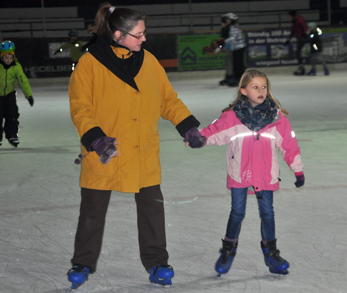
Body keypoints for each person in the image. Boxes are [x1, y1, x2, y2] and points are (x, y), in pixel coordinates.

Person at [67, 3, 202, 290]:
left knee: (153, 210)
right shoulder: (90, 63)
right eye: (138, 35)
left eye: (144, 34)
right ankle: (82, 262)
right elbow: (80, 108)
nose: (144, 39)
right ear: (118, 35)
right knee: (92, 212)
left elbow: (168, 100)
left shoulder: (149, 61)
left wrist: (187, 126)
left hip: (142, 151)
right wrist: (96, 138)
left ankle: (157, 263)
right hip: (106, 152)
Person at [187, 69, 305, 276]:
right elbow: (214, 131)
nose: (260, 90)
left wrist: (298, 170)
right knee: (237, 213)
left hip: (266, 174)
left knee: (268, 213)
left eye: (264, 87)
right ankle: (228, 251)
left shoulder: (276, 119)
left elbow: (289, 145)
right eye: (255, 87)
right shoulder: (232, 117)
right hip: (239, 174)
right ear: (243, 90)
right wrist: (199, 139)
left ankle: (271, 254)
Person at [0, 40, 34, 147]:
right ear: (1, 56)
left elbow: (22, 80)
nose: (8, 60)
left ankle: (12, 135)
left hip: (9, 95)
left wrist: (28, 95)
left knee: (12, 115)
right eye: (6, 58)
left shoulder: (16, 66)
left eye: (11, 57)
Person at [219, 12, 246, 87]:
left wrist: (224, 42)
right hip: (234, 47)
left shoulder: (234, 28)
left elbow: (232, 39)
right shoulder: (229, 27)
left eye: (228, 19)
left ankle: (240, 79)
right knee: (234, 63)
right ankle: (233, 78)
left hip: (238, 48)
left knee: (238, 64)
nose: (226, 21)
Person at [284, 10, 308, 76]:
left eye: (291, 16)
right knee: (298, 53)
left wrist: (304, 33)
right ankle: (301, 68)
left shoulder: (299, 20)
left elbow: (304, 26)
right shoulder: (295, 21)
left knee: (298, 53)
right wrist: (288, 39)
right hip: (299, 38)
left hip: (302, 38)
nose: (290, 17)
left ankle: (301, 69)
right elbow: (293, 31)